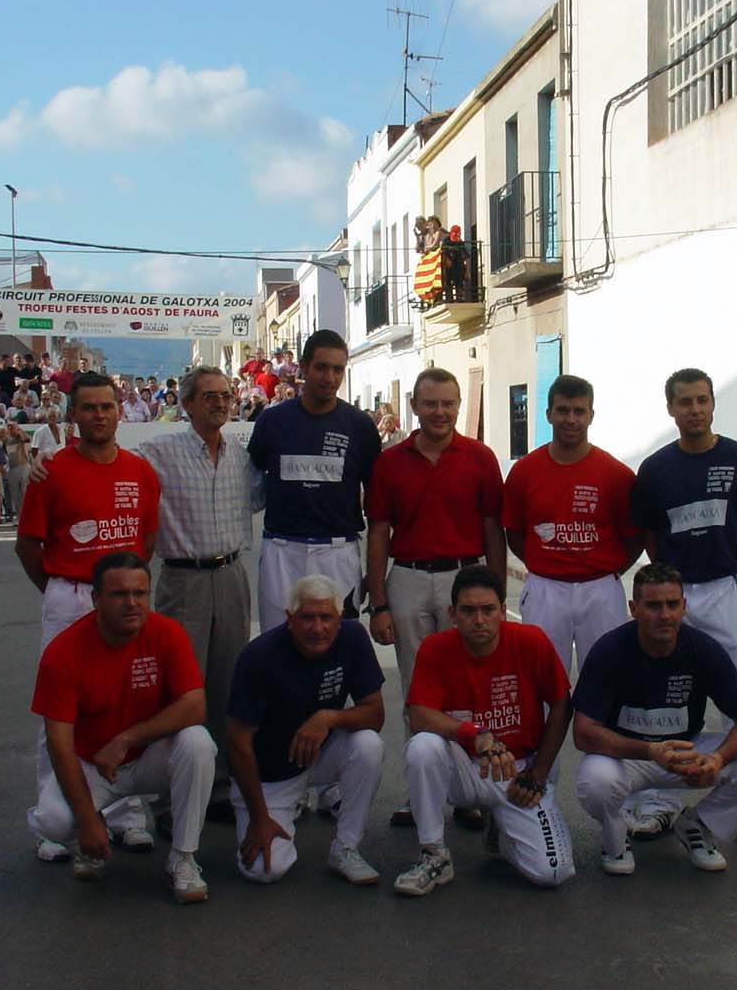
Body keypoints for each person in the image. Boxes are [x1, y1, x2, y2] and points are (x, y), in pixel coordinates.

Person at [627, 367, 737, 846]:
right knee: (669, 700)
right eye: (684, 402)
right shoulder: (655, 469)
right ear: (670, 408)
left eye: (702, 400)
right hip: (677, 594)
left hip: (728, 588)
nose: (694, 409)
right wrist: (675, 588)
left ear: (713, 404)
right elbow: (651, 537)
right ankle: (658, 804)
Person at [17, 372, 162, 860]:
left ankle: (127, 815)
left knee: (133, 701)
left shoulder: (140, 472)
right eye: (88, 408)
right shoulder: (51, 470)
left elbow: (147, 540)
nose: (98, 415)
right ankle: (52, 822)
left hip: (127, 603)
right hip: (70, 597)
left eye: (106, 406)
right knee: (58, 714)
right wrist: (63, 589)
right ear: (72, 414)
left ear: (120, 410)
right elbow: (28, 544)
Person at [28, 552, 215, 903]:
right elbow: (58, 742)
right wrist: (86, 820)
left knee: (198, 743)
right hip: (92, 765)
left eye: (140, 594)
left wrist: (127, 739)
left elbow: (195, 705)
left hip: (148, 758)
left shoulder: (167, 633)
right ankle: (90, 838)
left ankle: (183, 859)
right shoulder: (63, 652)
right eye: (118, 595)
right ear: (95, 599)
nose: (132, 604)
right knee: (54, 821)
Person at [573, 564, 737, 874]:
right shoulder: (609, 650)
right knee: (595, 781)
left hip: (686, 752)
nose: (665, 615)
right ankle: (614, 837)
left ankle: (697, 825)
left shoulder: (703, 649)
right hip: (631, 757)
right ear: (634, 609)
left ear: (684, 607)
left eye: (672, 604)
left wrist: (717, 759)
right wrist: (649, 751)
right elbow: (583, 733)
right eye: (653, 605)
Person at [365, 366, 506, 826]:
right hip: (406, 579)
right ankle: (418, 791)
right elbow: (379, 532)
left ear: (459, 405)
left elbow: (492, 530)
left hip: (463, 578)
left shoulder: (480, 457)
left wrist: (497, 596)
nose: (440, 412)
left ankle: (469, 791)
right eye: (431, 404)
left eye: (448, 403)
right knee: (416, 690)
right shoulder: (389, 462)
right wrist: (379, 600)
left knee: (469, 688)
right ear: (414, 407)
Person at [394, 566, 576, 895]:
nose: (479, 620)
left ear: (503, 611)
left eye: (488, 610)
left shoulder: (531, 640)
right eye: (468, 610)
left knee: (553, 873)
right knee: (423, 747)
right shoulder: (436, 648)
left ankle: (504, 832)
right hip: (465, 768)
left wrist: (539, 772)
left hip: (519, 771)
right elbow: (419, 714)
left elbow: (562, 703)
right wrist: (474, 735)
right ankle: (434, 854)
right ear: (452, 613)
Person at [137, 366, 259, 787]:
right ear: (187, 404)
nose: (220, 403)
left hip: (231, 577)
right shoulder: (158, 453)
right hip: (183, 580)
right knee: (180, 687)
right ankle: (172, 789)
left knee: (228, 683)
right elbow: (106, 460)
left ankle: (221, 781)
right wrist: (47, 459)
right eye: (209, 396)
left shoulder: (242, 458)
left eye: (226, 395)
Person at [225, 575, 386, 884]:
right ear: (289, 619)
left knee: (369, 745)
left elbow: (375, 714)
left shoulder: (353, 637)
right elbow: (237, 743)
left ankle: (346, 847)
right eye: (307, 618)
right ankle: (274, 810)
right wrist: (260, 818)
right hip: (268, 774)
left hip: (318, 755)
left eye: (326, 617)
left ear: (339, 619)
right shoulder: (259, 656)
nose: (318, 628)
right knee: (264, 870)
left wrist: (327, 718)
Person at [502, 374, 643, 679]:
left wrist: (605, 569)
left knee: (607, 676)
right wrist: (546, 562)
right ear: (549, 413)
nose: (571, 419)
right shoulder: (524, 471)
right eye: (563, 410)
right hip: (544, 589)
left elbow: (634, 537)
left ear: (591, 415)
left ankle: (598, 730)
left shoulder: (617, 474)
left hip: (601, 589)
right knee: (542, 678)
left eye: (579, 411)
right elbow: (513, 532)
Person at [247, 330, 381, 632]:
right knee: (277, 646)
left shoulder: (360, 426)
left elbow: (377, 508)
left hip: (338, 553)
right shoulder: (271, 421)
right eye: (321, 367)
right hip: (282, 550)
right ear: (303, 368)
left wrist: (375, 575)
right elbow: (250, 480)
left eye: (338, 369)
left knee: (336, 647)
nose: (330, 377)